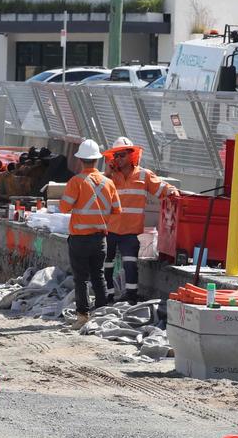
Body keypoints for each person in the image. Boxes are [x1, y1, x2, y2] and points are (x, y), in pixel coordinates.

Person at [105, 136, 178, 303]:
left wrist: (172, 191)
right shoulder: (109, 177)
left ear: (131, 155)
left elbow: (162, 188)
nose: (118, 159)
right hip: (108, 229)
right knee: (106, 265)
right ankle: (107, 296)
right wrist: (107, 174)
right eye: (115, 156)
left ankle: (131, 297)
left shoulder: (144, 175)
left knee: (130, 264)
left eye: (122, 155)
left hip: (130, 231)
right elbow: (96, 191)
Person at [59, 139, 122, 330]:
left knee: (81, 278)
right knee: (98, 275)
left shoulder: (76, 181)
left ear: (80, 160)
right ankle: (101, 314)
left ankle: (83, 316)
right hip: (100, 238)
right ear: (97, 160)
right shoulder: (109, 182)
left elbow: (64, 207)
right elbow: (117, 209)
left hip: (79, 238)